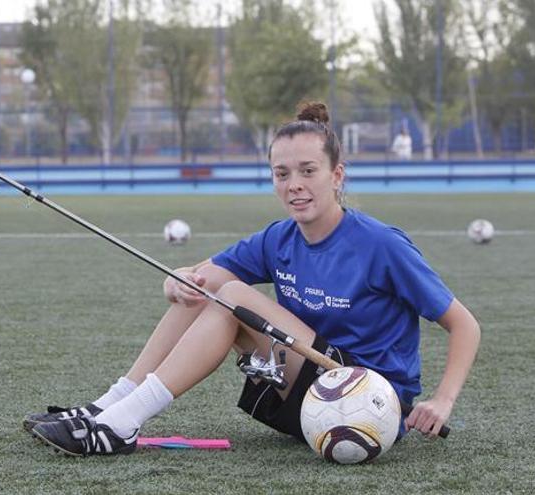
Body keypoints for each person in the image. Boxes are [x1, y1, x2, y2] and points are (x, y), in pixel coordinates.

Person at [25, 101, 481, 457]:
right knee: (211, 292)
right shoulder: (278, 239)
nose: (294, 185)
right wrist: (178, 281)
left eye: (308, 171)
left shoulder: (382, 245)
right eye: (282, 174)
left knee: (233, 294)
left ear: (336, 176)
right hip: (310, 402)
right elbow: (198, 278)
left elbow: (465, 324)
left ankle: (121, 422)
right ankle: (111, 406)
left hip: (369, 406)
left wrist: (442, 400)